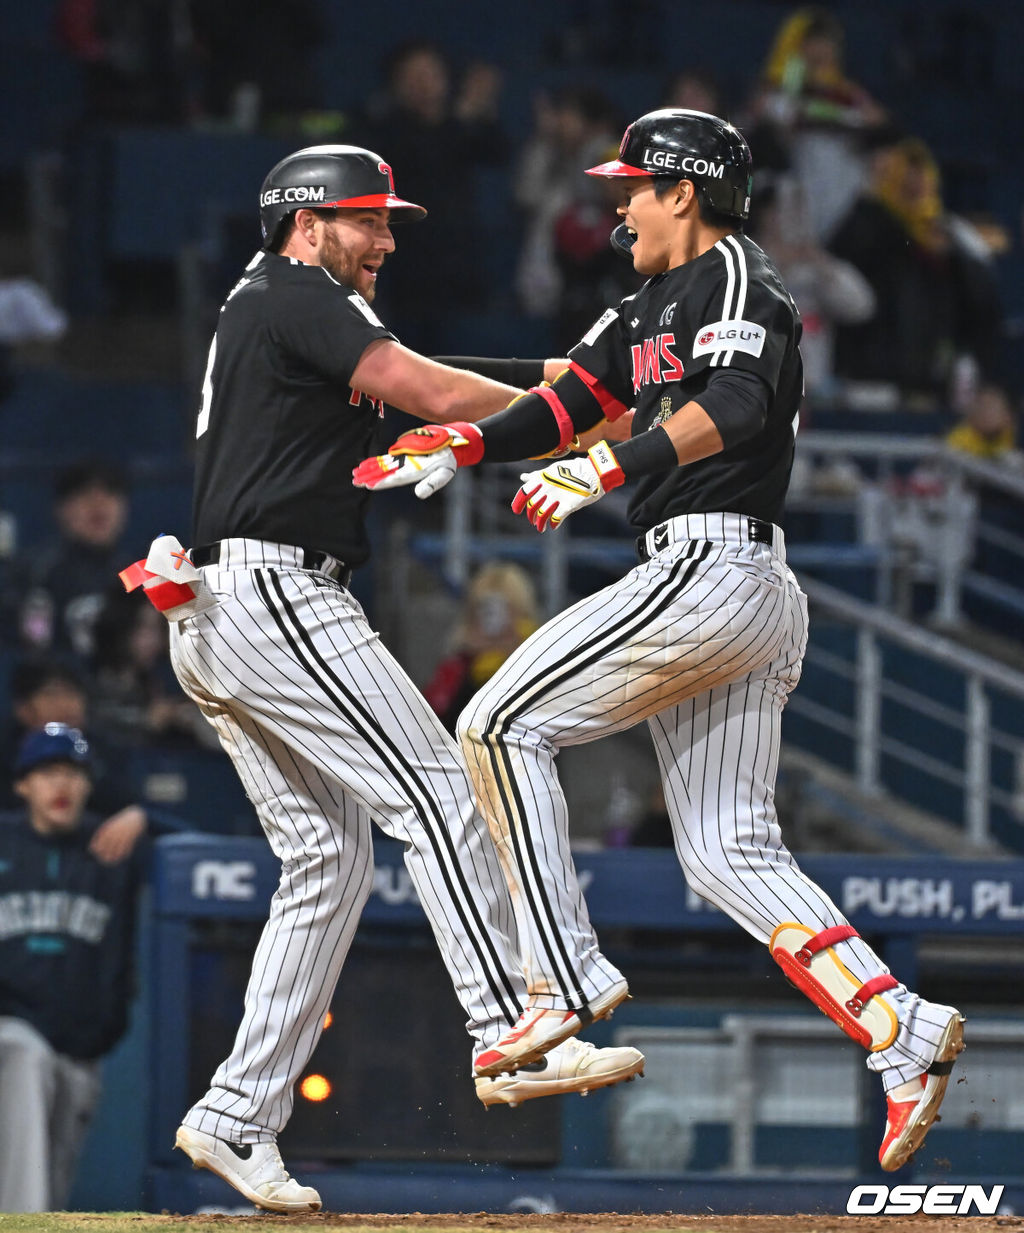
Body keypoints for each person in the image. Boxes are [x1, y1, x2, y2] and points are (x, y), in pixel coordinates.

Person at [356, 108, 966, 1173]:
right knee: (728, 850)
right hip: (731, 584)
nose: (617, 204)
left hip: (711, 568)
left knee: (496, 723)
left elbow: (731, 402)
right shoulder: (639, 305)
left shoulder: (737, 277)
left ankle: (561, 977)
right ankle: (899, 1026)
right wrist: (465, 438)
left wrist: (609, 467)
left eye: (633, 187)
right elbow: (566, 403)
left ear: (683, 192)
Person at [130, 143, 641, 1215]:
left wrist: (572, 389)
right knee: (444, 794)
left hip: (226, 608)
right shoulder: (293, 287)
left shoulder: (290, 307)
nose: (387, 239)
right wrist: (564, 412)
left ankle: (235, 1114)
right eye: (367, 219)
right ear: (306, 223)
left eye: (389, 220)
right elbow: (419, 387)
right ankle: (507, 1028)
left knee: (327, 858)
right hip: (277, 598)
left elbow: (432, 372)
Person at [0, 723, 142, 1211]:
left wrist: (142, 817)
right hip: (9, 1033)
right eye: (48, 772)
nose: (61, 785)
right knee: (24, 1056)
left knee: (51, 1186)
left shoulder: (110, 845)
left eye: (73, 773)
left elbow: (194, 838)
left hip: (81, 1048)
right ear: (22, 783)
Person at [828, 134, 1005, 408]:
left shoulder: (950, 234)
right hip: (871, 380)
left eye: (920, 183)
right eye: (903, 184)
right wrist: (870, 199)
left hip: (932, 380)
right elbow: (841, 258)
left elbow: (983, 304)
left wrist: (953, 257)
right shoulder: (870, 221)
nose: (914, 191)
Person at [10, 460, 130, 663]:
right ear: (61, 509)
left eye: (110, 492)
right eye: (84, 493)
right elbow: (29, 651)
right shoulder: (36, 573)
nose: (98, 503)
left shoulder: (139, 574)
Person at [423, 561, 540, 733]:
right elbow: (433, 723)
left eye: (503, 610)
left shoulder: (538, 665)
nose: (493, 621)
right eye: (485, 610)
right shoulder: (458, 664)